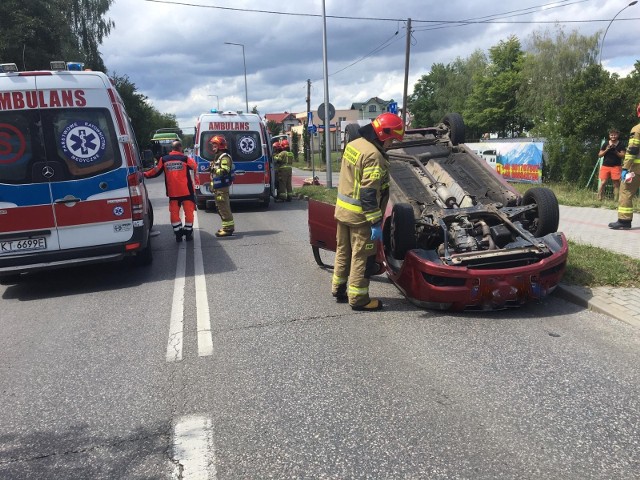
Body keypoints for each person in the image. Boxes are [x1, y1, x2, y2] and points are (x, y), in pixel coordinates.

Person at [332, 112, 404, 311]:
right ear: (384, 135)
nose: (391, 144)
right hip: (361, 217)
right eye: (392, 140)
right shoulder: (374, 156)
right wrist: (374, 222)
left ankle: (338, 288)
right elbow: (368, 193)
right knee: (361, 257)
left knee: (343, 251)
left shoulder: (354, 145)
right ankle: (359, 299)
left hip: (343, 212)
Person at [144, 141, 198, 242]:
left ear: (172, 149)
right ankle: (188, 234)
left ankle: (178, 234)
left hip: (173, 193)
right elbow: (195, 166)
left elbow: (155, 171)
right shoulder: (185, 158)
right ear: (180, 148)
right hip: (186, 191)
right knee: (189, 212)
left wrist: (145, 174)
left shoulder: (164, 159)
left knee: (174, 213)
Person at [609, 102, 640, 230]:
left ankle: (624, 221)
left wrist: (626, 167)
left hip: (636, 169)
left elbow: (632, 150)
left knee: (626, 191)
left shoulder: (637, 129)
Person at [207, 135, 235, 237]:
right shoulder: (219, 157)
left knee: (224, 208)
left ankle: (228, 229)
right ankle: (226, 227)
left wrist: (213, 169)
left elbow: (224, 171)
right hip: (218, 188)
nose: (213, 148)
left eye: (215, 146)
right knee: (221, 208)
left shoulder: (225, 157)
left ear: (220, 146)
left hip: (222, 188)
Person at [597, 128, 626, 201]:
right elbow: (600, 155)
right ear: (609, 136)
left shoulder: (621, 144)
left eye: (615, 135)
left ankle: (616, 200)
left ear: (618, 135)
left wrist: (616, 151)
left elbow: (623, 155)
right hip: (605, 166)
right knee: (603, 182)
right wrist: (607, 149)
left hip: (616, 166)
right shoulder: (606, 143)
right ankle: (600, 198)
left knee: (616, 184)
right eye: (611, 135)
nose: (613, 136)